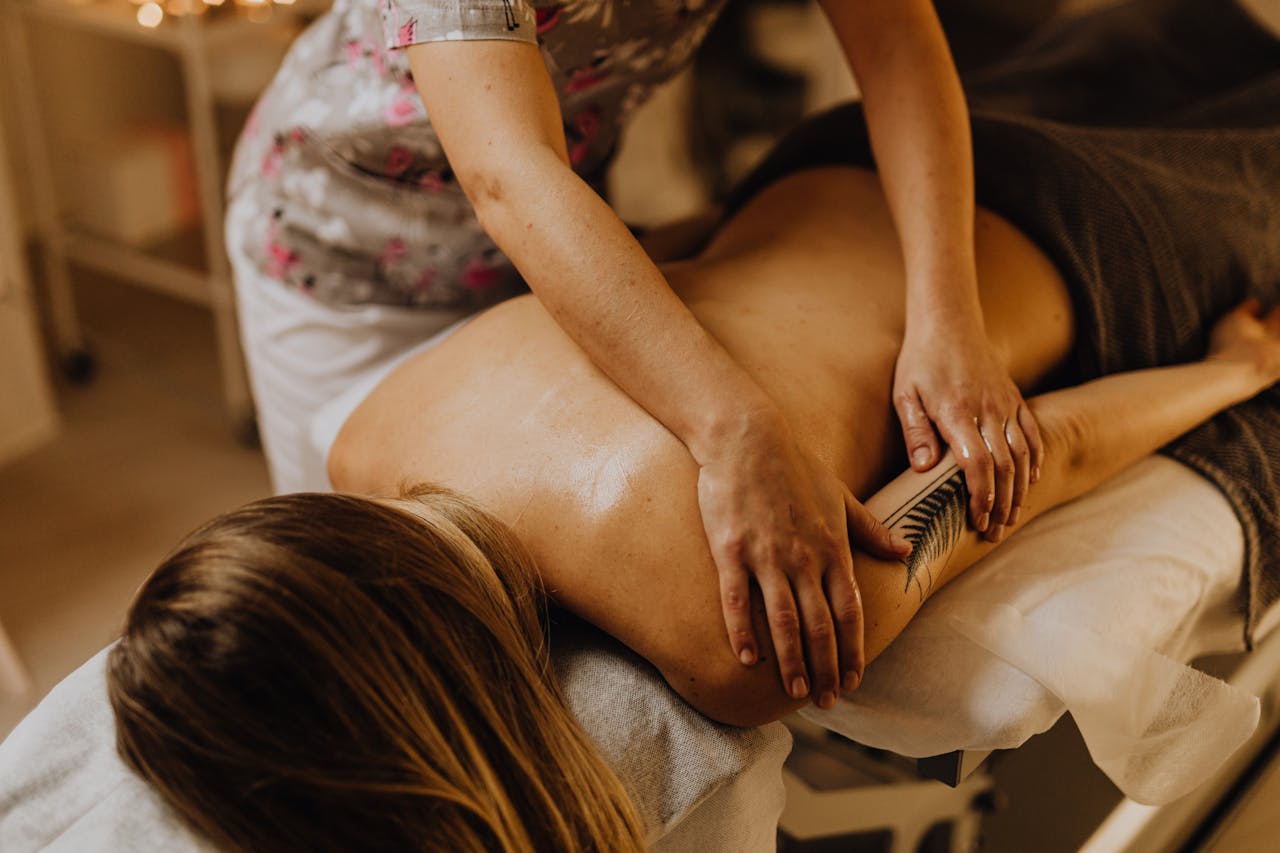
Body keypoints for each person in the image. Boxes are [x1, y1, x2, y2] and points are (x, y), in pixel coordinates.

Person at [119, 1, 1280, 847]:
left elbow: (1024, 457)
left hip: (1086, 255)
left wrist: (1231, 371)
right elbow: (629, 233)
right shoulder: (375, 428)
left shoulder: (745, 632)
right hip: (826, 169)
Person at [227, 0, 1030, 691]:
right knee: (372, 625)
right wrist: (737, 427)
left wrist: (950, 316)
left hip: (556, 250)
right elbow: (508, 169)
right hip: (337, 261)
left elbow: (896, 45)